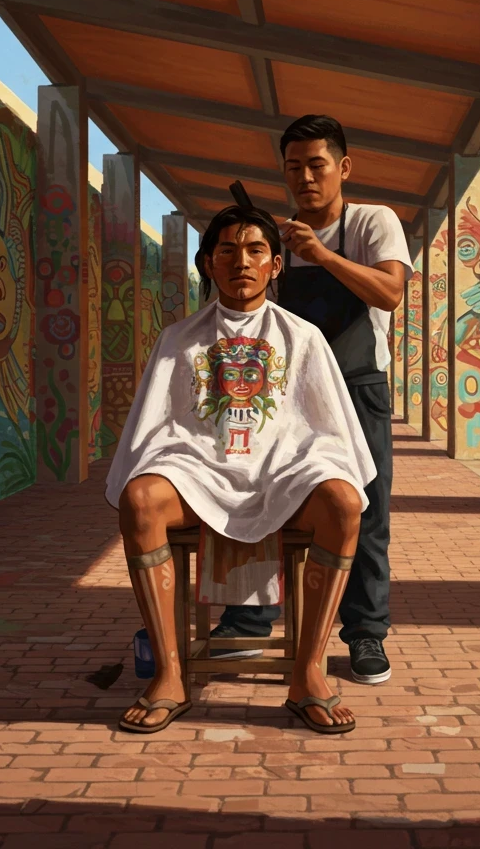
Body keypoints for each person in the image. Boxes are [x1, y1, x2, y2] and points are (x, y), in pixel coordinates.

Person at [106, 205, 377, 734]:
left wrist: (288, 460)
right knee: (140, 499)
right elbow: (160, 426)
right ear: (207, 263)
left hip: (283, 475)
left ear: (277, 265)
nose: (242, 262)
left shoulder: (304, 337)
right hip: (198, 473)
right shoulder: (177, 339)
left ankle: (309, 675)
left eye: (256, 250)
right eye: (227, 250)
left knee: (343, 503)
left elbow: (324, 429)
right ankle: (169, 673)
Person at [213, 115, 410, 685]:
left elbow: (391, 293)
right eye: (293, 166)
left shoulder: (373, 222)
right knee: (256, 499)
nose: (304, 176)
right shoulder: (277, 239)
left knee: (365, 510)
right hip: (287, 394)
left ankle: (366, 635)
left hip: (357, 386)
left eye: (316, 164)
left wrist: (322, 257)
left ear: (343, 167)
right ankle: (249, 621)